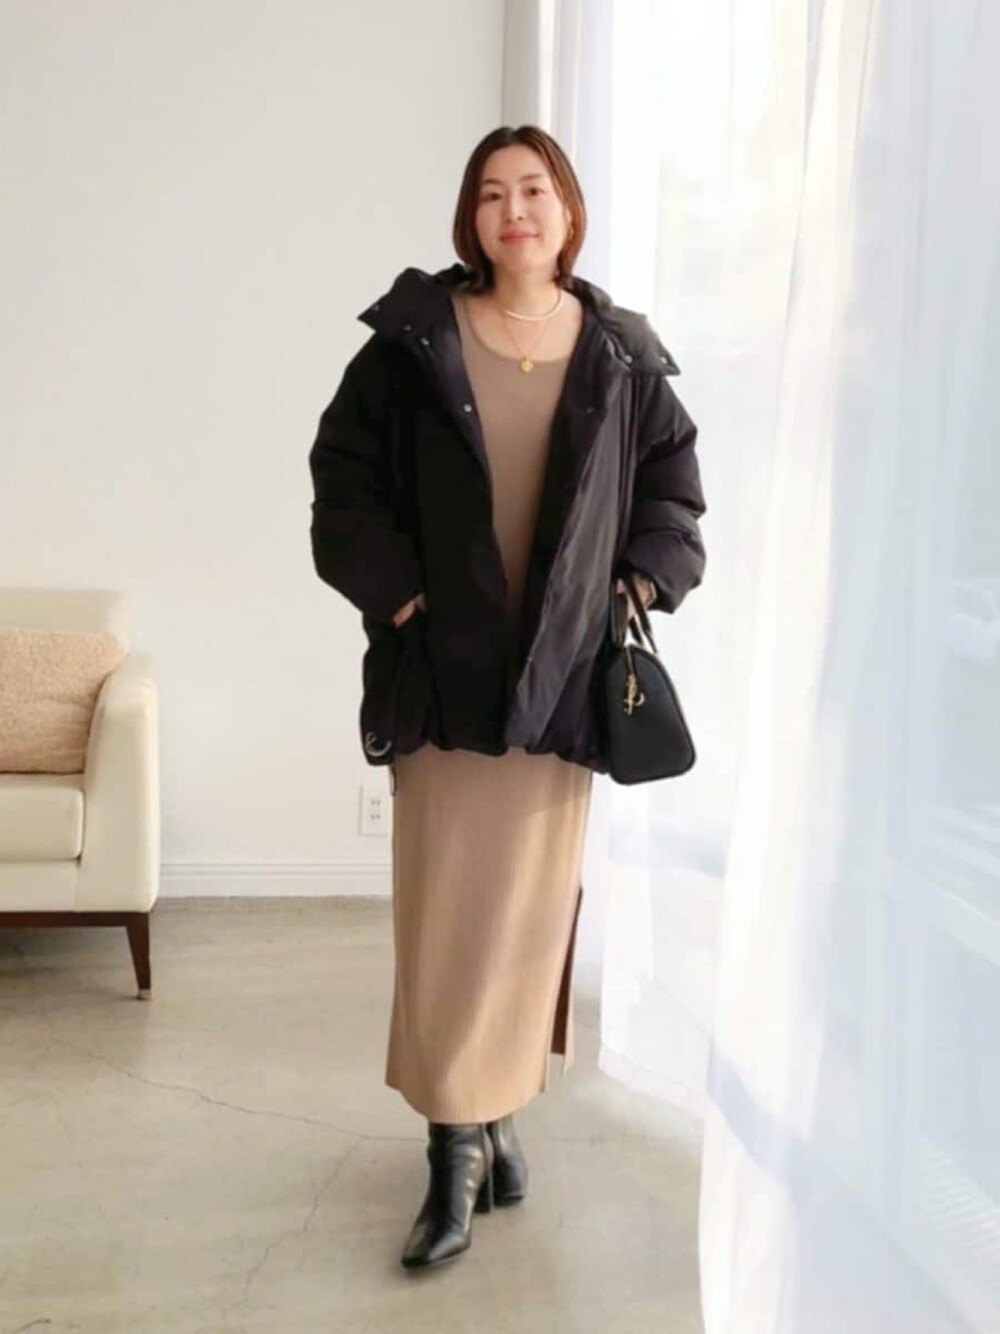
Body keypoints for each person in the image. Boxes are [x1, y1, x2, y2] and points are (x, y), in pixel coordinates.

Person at [308, 124, 706, 1271]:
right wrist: (399, 599)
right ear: (470, 218)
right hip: (443, 678)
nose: (514, 210)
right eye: (492, 193)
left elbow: (674, 489)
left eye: (534, 189)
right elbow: (342, 481)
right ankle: (454, 1151)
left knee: (531, 919)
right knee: (446, 915)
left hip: (562, 676)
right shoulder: (413, 341)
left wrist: (636, 583)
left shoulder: (621, 355)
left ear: (567, 210)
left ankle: (496, 1116)